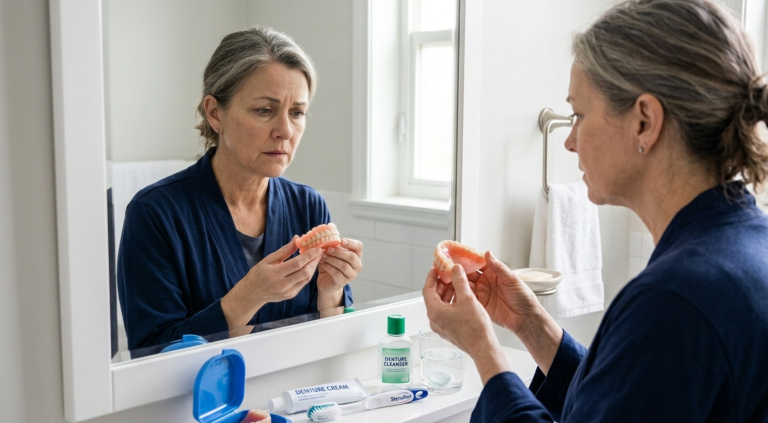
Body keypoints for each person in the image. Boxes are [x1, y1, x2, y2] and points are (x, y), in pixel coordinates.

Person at [423, 0, 768, 421]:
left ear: (644, 121)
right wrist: (532, 324)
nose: (570, 142)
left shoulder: (673, 301)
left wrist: (483, 349)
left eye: (579, 114)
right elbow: (634, 401)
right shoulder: (747, 249)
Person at [118, 27, 362, 351]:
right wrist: (248, 297)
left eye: (297, 112)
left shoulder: (309, 207)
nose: (285, 131)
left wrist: (330, 293)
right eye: (265, 110)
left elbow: (329, 348)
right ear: (215, 113)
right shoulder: (154, 215)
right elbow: (149, 354)